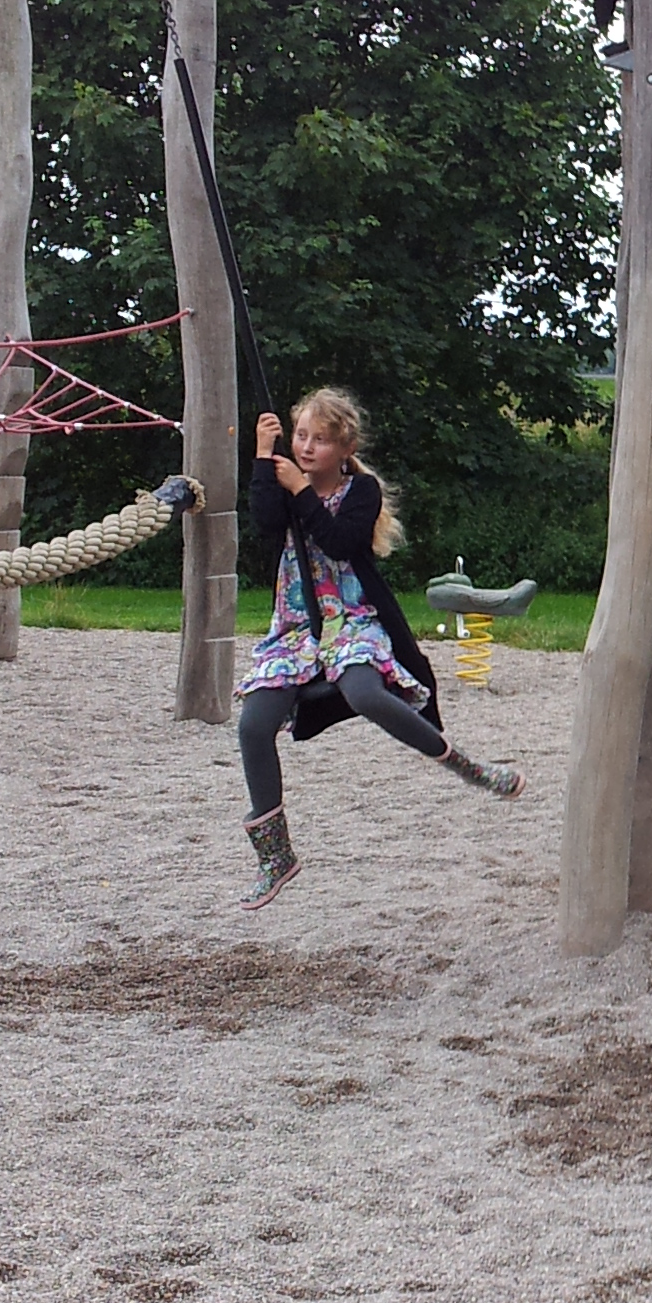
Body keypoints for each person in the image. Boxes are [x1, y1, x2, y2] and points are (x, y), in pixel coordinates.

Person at [234, 386, 520, 910]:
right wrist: (261, 456)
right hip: (296, 626)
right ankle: (275, 856)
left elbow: (340, 542)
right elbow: (264, 525)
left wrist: (300, 490)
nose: (307, 447)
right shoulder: (283, 479)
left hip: (352, 619)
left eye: (321, 440)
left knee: (365, 692)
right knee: (253, 726)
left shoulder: (361, 491)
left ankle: (461, 763)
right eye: (301, 436)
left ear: (345, 448)